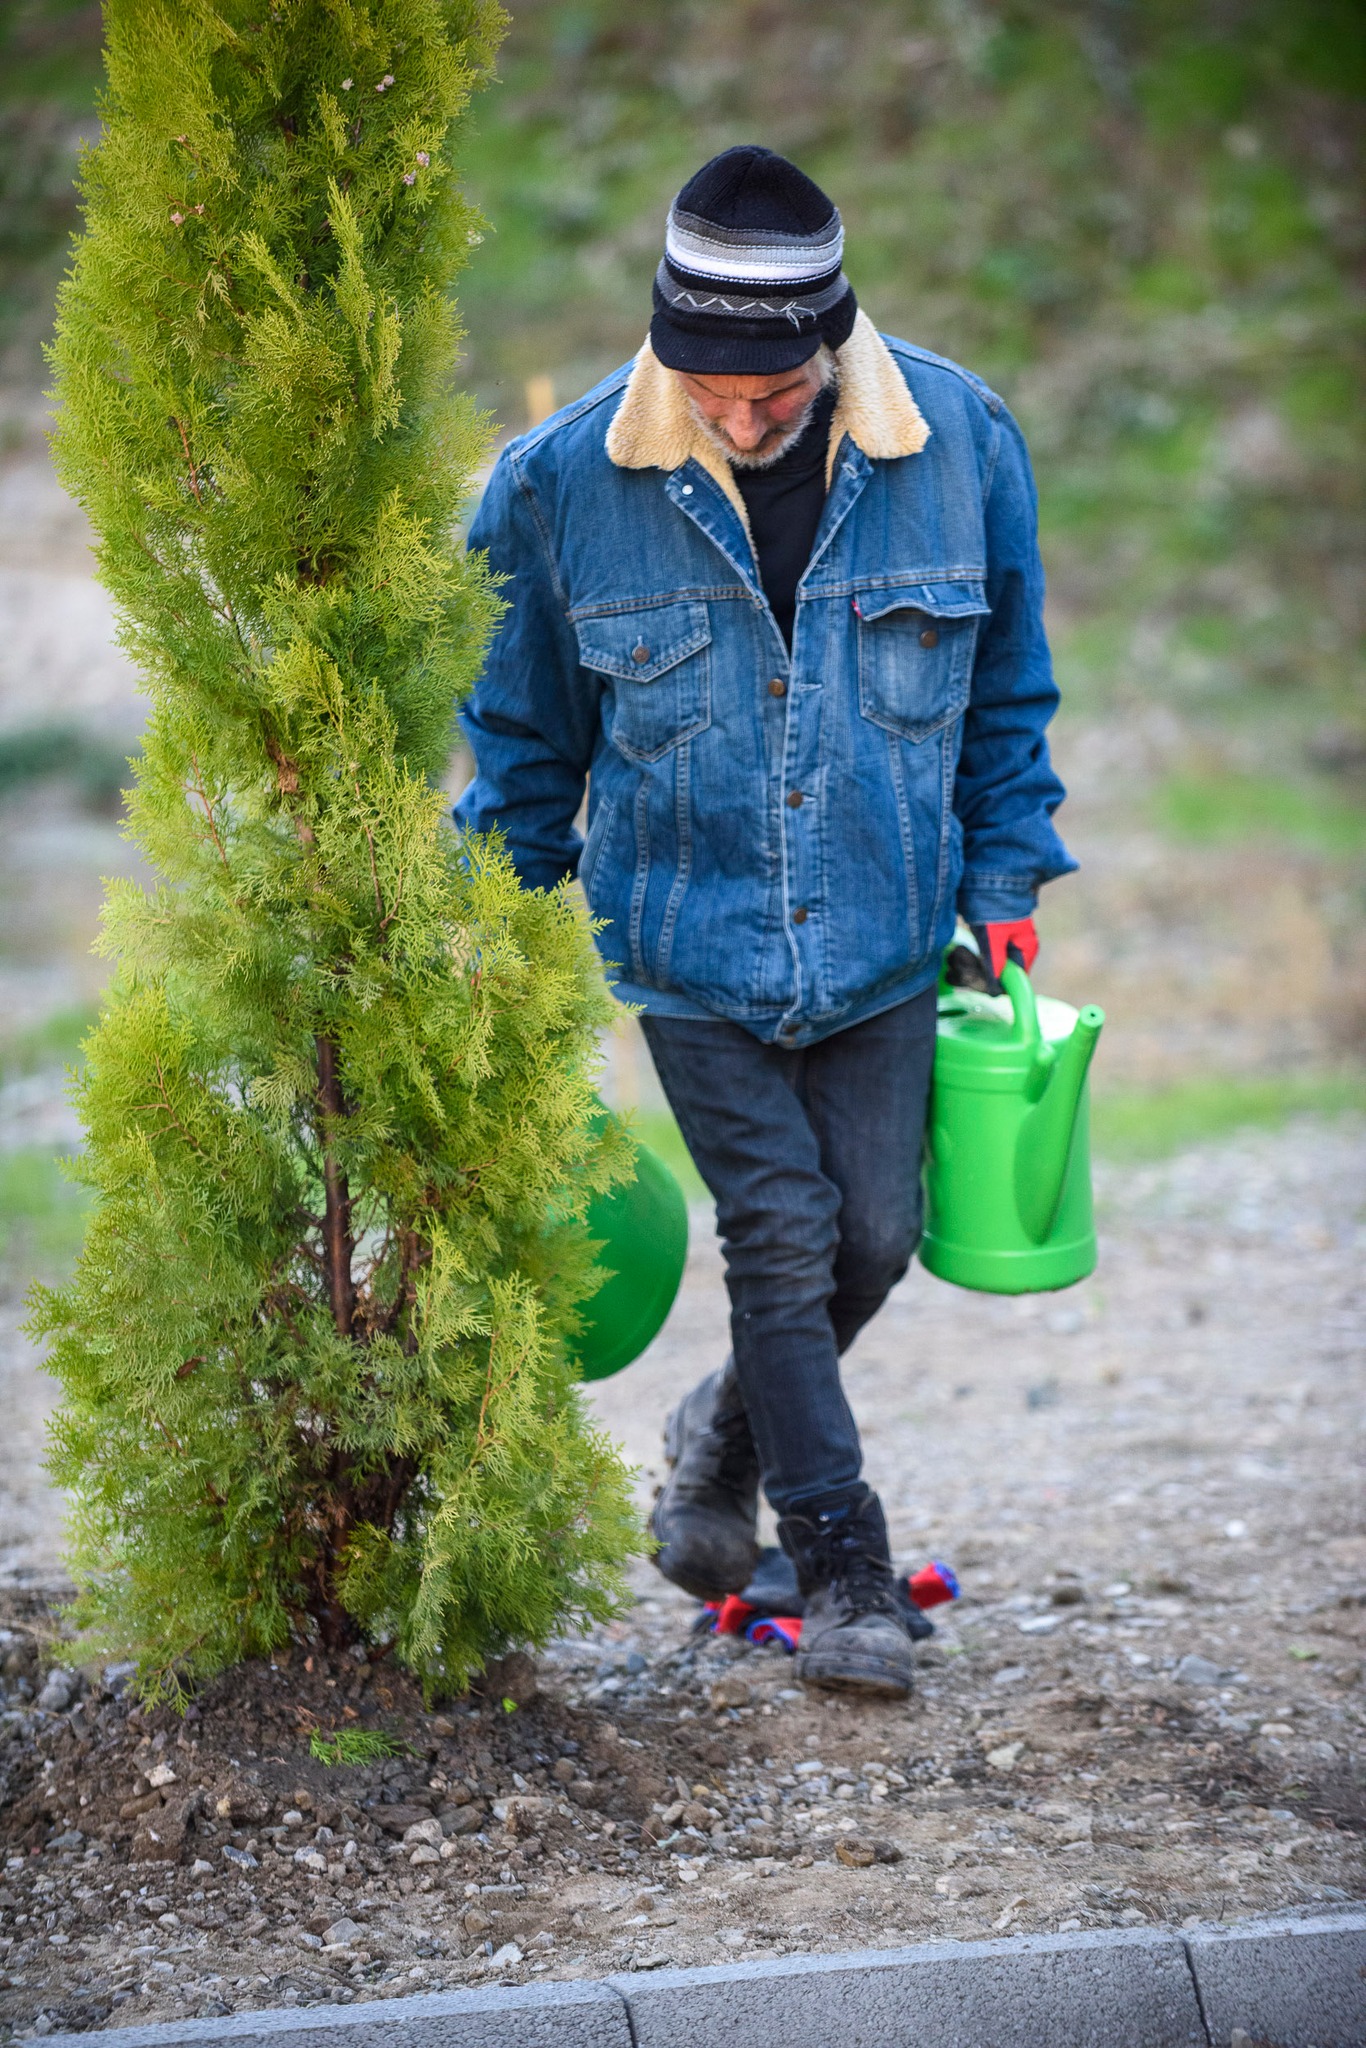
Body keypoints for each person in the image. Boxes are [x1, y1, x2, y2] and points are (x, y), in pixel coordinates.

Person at [457, 145, 1075, 1698]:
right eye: (710, 393)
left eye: (775, 394)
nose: (742, 422)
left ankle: (720, 1434)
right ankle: (844, 1566)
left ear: (831, 343)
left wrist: (1002, 887)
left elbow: (1007, 695)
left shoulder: (959, 442)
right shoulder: (554, 486)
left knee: (873, 1236)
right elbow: (521, 753)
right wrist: (495, 959)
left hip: (885, 931)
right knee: (782, 1236)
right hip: (688, 943)